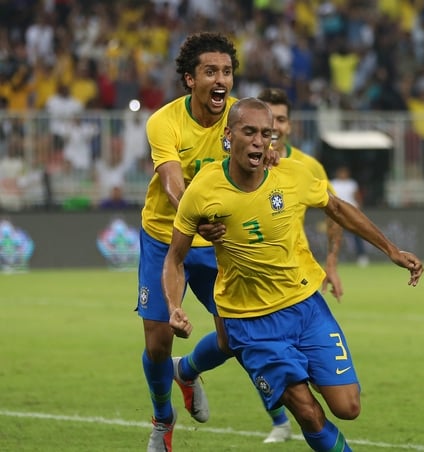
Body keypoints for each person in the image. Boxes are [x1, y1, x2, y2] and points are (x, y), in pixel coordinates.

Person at [162, 97, 424, 452]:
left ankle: (188, 369)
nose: (258, 141)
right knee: (308, 412)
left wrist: (391, 250)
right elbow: (175, 258)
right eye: (249, 132)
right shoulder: (204, 190)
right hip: (251, 323)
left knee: (348, 407)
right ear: (228, 135)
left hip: (305, 308)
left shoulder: (296, 173)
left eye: (265, 134)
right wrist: (173, 306)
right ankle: (190, 370)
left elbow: (337, 207)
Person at [137, 32, 276, 452]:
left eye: (227, 72)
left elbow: (265, 166)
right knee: (158, 342)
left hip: (217, 240)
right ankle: (163, 420)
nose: (221, 80)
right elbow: (173, 180)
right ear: (189, 80)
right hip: (166, 236)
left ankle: (189, 371)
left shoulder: (239, 119)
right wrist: (196, 219)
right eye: (210, 71)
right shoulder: (164, 122)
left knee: (236, 335)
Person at [250, 86, 346, 443]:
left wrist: (332, 263)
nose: (275, 126)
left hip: (300, 281)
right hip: (251, 280)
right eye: (268, 119)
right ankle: (280, 418)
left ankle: (187, 368)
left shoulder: (307, 167)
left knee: (338, 398)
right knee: (236, 341)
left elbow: (335, 213)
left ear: (290, 125)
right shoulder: (240, 162)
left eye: (282, 119)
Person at [330, 165, 369, 266]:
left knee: (357, 234)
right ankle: (335, 257)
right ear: (338, 173)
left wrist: (359, 209)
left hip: (351, 212)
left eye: (345, 172)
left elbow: (356, 197)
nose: (343, 174)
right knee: (336, 236)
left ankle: (362, 256)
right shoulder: (333, 183)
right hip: (337, 213)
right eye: (341, 172)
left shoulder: (352, 184)